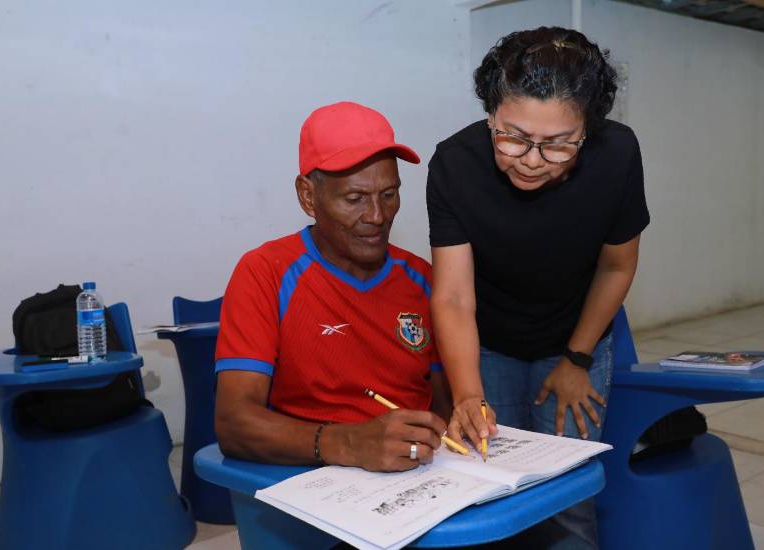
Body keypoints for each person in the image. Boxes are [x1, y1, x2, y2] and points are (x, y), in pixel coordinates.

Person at [427, 27, 649, 548]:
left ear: (588, 130)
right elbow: (454, 296)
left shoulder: (616, 154)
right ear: (491, 114)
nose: (531, 159)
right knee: (491, 491)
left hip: (575, 337)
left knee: (567, 500)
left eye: (559, 144)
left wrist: (576, 359)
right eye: (513, 137)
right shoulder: (455, 164)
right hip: (486, 345)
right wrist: (468, 394)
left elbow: (616, 267)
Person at [215, 101, 450, 472]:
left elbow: (445, 405)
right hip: (311, 475)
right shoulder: (266, 273)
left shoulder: (421, 277)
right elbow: (234, 423)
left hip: (415, 472)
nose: (377, 216)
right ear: (308, 196)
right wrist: (351, 444)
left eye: (389, 194)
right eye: (355, 199)